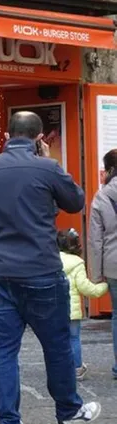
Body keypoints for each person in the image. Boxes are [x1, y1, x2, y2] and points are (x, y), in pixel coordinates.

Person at [0, 111, 100, 424]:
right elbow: (76, 200)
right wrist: (49, 161)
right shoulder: (47, 168)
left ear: (8, 136)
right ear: (39, 138)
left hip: (0, 273)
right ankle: (68, 412)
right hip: (41, 269)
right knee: (56, 346)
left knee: (4, 351)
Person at [58, 229, 108, 381]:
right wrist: (104, 287)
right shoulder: (77, 263)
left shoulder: (51, 260)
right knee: (74, 338)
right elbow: (85, 288)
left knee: (58, 339)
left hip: (54, 309)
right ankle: (77, 368)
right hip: (72, 311)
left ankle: (60, 368)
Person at [88, 149, 117, 378]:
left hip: (113, 264)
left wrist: (96, 275)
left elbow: (95, 240)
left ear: (108, 170)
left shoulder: (101, 197)